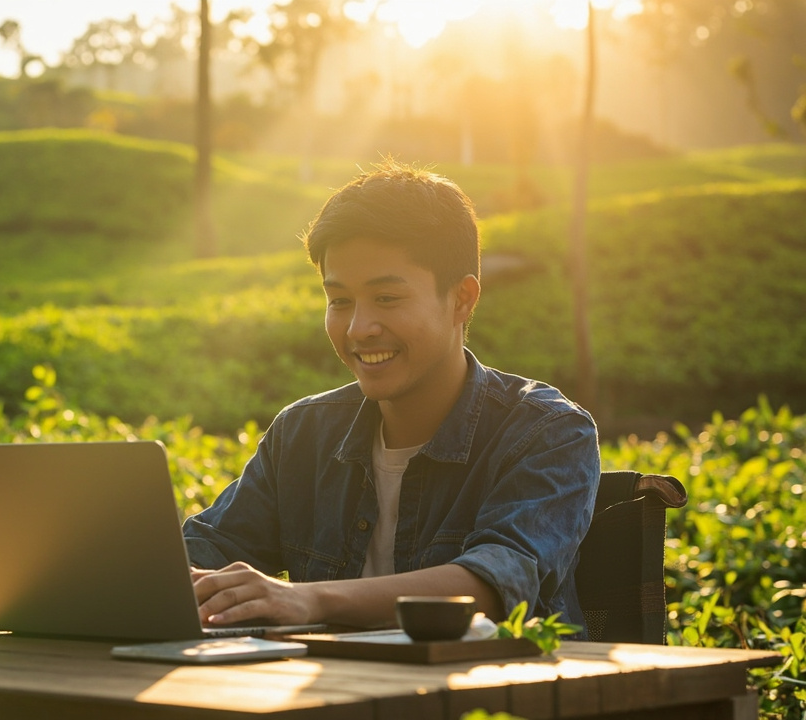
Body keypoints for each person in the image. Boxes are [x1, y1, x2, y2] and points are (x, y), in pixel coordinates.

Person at [182, 160, 600, 633]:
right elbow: (205, 550)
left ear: (462, 299)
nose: (359, 329)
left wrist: (308, 600)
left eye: (387, 299)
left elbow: (497, 582)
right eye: (339, 301)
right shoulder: (302, 435)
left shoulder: (548, 432)